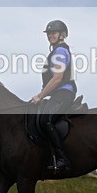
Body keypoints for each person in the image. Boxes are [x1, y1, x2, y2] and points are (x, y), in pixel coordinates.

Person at [31, 20, 77, 171]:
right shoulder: (56, 51)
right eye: (49, 33)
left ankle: (62, 159)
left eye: (54, 33)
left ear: (62, 35)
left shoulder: (60, 51)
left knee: (45, 120)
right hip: (58, 93)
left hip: (64, 92)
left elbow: (57, 78)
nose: (51, 35)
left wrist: (40, 96)